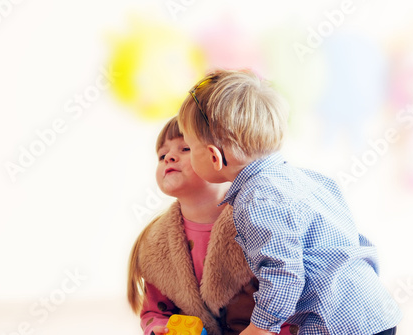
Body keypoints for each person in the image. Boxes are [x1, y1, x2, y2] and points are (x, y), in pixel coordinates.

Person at [177, 69, 402, 335]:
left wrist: (260, 328)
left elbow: (283, 274)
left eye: (189, 147)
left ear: (214, 156)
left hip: (335, 324)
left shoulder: (257, 200)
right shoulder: (306, 179)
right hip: (374, 308)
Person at [127, 117, 296, 335]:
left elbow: (288, 296)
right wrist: (160, 328)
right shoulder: (155, 244)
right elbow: (154, 313)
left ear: (218, 157)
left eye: (185, 148)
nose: (169, 157)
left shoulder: (257, 220)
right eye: (162, 155)